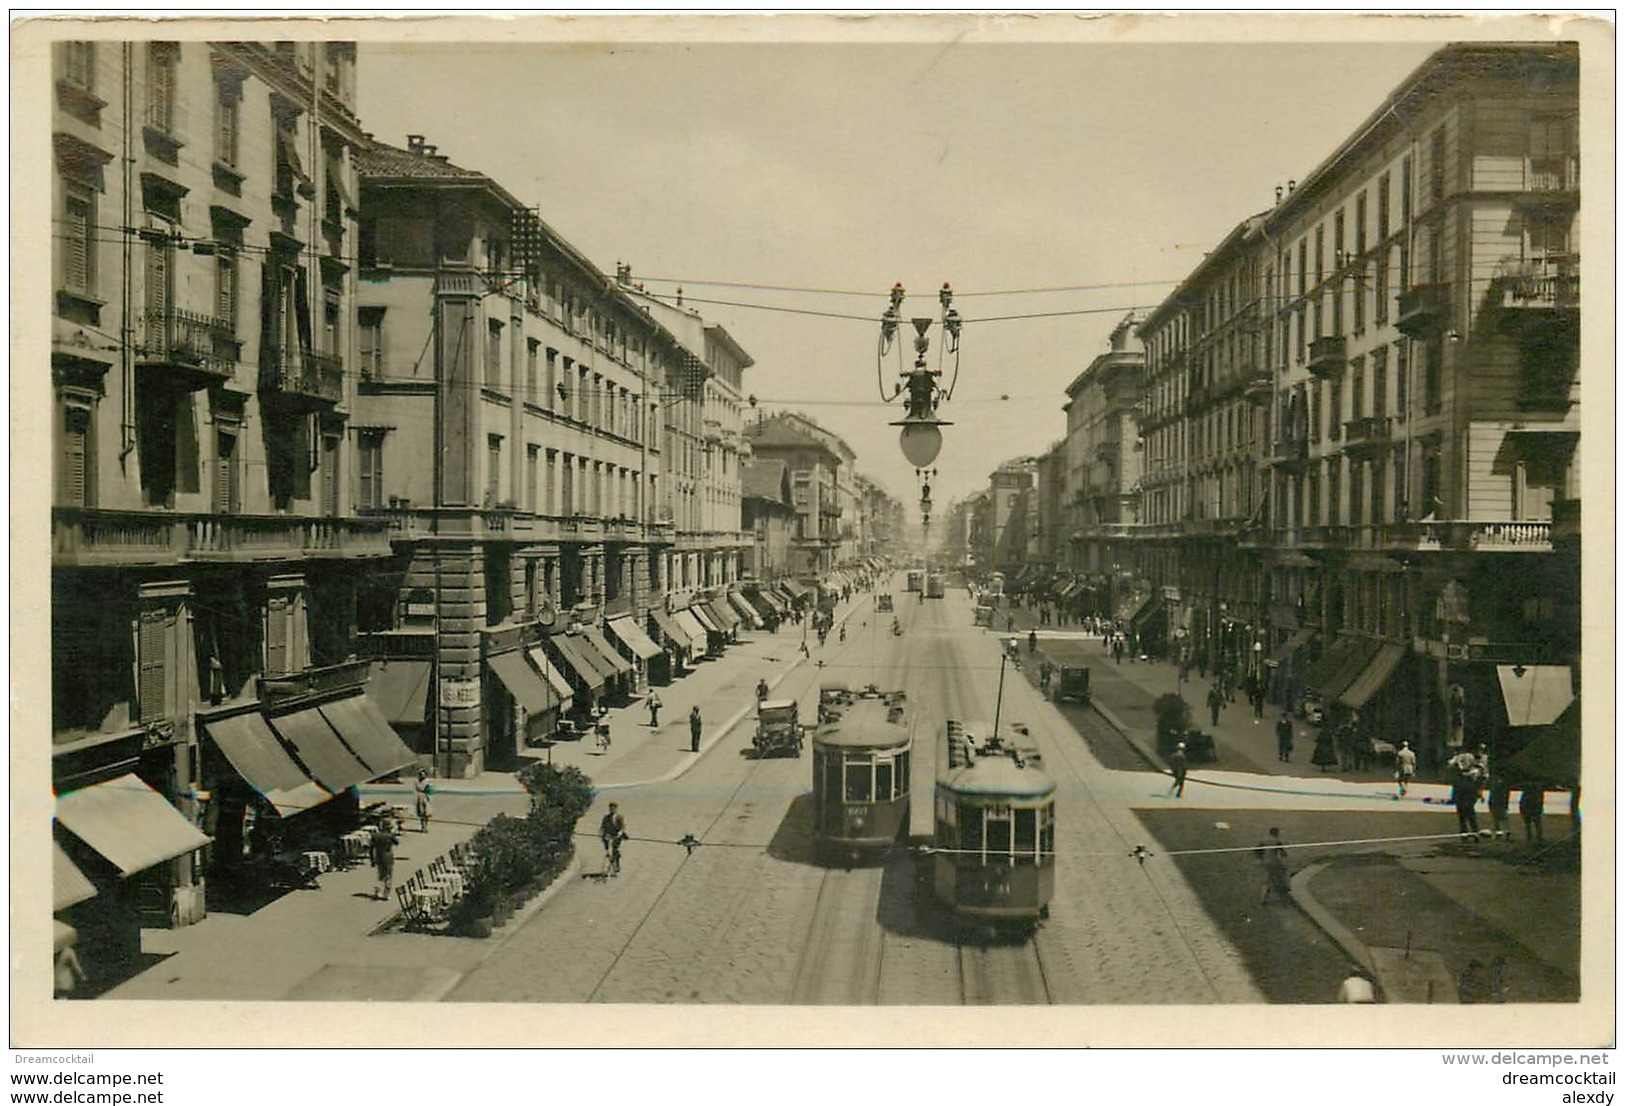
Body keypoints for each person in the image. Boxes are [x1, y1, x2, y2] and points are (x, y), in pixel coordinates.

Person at [1256, 827, 1290, 904]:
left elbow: (1258, 850)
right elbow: (1283, 853)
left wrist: (1259, 859)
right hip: (1274, 862)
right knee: (1279, 875)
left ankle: (1263, 898)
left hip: (1265, 862)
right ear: (1276, 833)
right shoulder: (1277, 841)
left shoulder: (1264, 840)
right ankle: (1285, 890)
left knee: (1267, 878)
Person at [370, 819, 397, 900]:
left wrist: (372, 859)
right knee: (388, 875)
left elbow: (371, 848)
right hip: (388, 856)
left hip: (378, 856)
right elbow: (396, 842)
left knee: (380, 875)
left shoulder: (375, 836)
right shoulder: (390, 836)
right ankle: (386, 894)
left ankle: (378, 891)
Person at [599, 801, 627, 877]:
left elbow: (623, 827)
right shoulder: (606, 817)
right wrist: (602, 834)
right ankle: (611, 864)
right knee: (608, 852)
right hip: (608, 836)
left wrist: (619, 833)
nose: (612, 809)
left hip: (617, 837)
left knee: (615, 850)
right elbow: (602, 827)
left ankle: (617, 865)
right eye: (611, 808)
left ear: (616, 809)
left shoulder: (619, 817)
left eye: (614, 808)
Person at [413, 769, 433, 834]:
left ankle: (426, 826)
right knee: (421, 813)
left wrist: (429, 796)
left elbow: (430, 790)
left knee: (426, 812)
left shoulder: (427, 781)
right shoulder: (417, 781)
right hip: (419, 796)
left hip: (425, 796)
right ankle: (422, 826)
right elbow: (416, 789)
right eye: (421, 774)